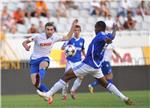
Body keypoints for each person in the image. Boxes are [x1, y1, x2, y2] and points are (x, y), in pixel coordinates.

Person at [37, 21, 132, 106]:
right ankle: (124, 97)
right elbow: (112, 36)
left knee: (66, 76)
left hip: (89, 64)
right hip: (97, 66)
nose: (94, 29)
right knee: (106, 84)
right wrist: (114, 29)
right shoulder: (105, 34)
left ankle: (48, 94)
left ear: (99, 27)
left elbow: (107, 39)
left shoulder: (100, 36)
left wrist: (108, 40)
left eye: (95, 27)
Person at [22, 19, 78, 97]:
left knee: (43, 64)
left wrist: (73, 25)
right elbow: (24, 42)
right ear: (45, 30)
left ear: (53, 30)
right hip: (34, 60)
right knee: (35, 84)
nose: (50, 31)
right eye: (48, 29)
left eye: (51, 29)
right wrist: (26, 47)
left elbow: (68, 37)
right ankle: (49, 94)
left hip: (44, 58)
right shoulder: (37, 36)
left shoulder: (54, 37)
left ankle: (39, 78)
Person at [61, 25, 86, 100]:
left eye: (78, 30)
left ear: (80, 31)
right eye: (75, 30)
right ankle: (64, 94)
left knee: (81, 77)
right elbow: (62, 48)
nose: (76, 32)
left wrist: (86, 56)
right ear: (73, 31)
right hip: (70, 62)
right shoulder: (70, 39)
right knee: (66, 78)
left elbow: (82, 49)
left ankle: (72, 90)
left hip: (79, 62)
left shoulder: (82, 40)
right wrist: (66, 46)